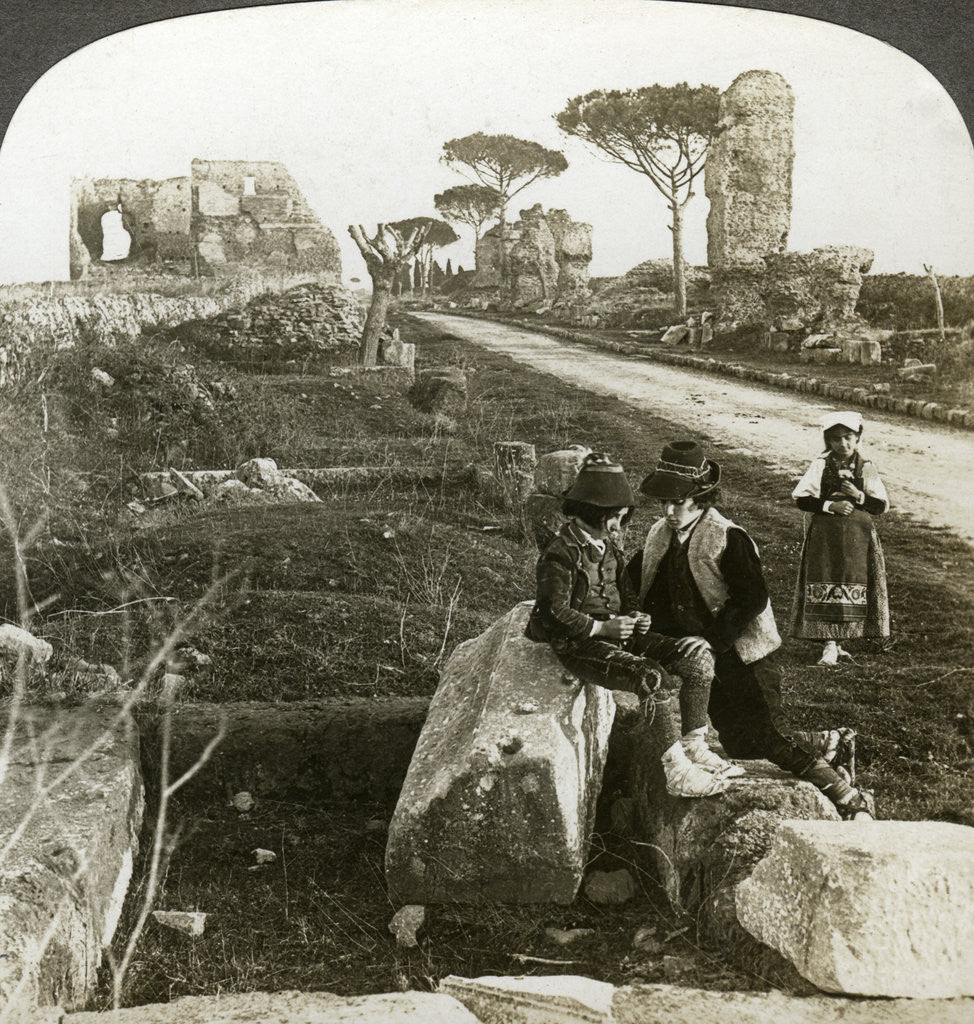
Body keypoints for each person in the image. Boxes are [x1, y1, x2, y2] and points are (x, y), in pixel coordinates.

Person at [628, 440, 874, 820]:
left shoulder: (727, 536)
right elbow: (644, 582)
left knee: (769, 736)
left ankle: (848, 797)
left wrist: (711, 638)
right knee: (739, 743)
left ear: (701, 498)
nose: (669, 511)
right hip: (708, 661)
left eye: (678, 502)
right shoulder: (660, 535)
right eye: (664, 502)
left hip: (744, 653)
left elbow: (753, 597)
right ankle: (830, 742)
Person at [525, 452, 738, 799]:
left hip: (618, 636)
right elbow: (552, 613)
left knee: (698, 660)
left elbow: (627, 593)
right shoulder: (560, 552)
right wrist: (601, 629)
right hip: (579, 643)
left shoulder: (609, 547)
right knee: (649, 677)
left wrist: (638, 617)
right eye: (616, 517)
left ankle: (695, 746)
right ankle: (677, 773)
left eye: (622, 517)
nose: (619, 525)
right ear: (594, 512)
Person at [790, 411, 890, 666]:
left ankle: (841, 641)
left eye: (848, 437)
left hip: (858, 536)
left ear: (857, 437)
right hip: (826, 535)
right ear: (828, 440)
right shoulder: (821, 464)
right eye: (836, 439)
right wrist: (829, 506)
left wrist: (858, 496)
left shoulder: (866, 467)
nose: (843, 443)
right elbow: (802, 498)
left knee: (852, 580)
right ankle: (829, 643)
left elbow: (880, 506)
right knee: (827, 577)